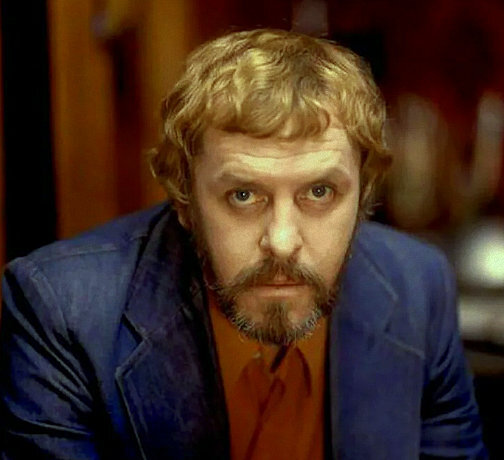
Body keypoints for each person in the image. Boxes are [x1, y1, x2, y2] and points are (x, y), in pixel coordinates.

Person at [0, 29, 486, 459]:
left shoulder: (419, 286)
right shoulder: (62, 310)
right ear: (185, 198)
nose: (282, 241)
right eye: (243, 195)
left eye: (320, 192)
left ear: (364, 194)